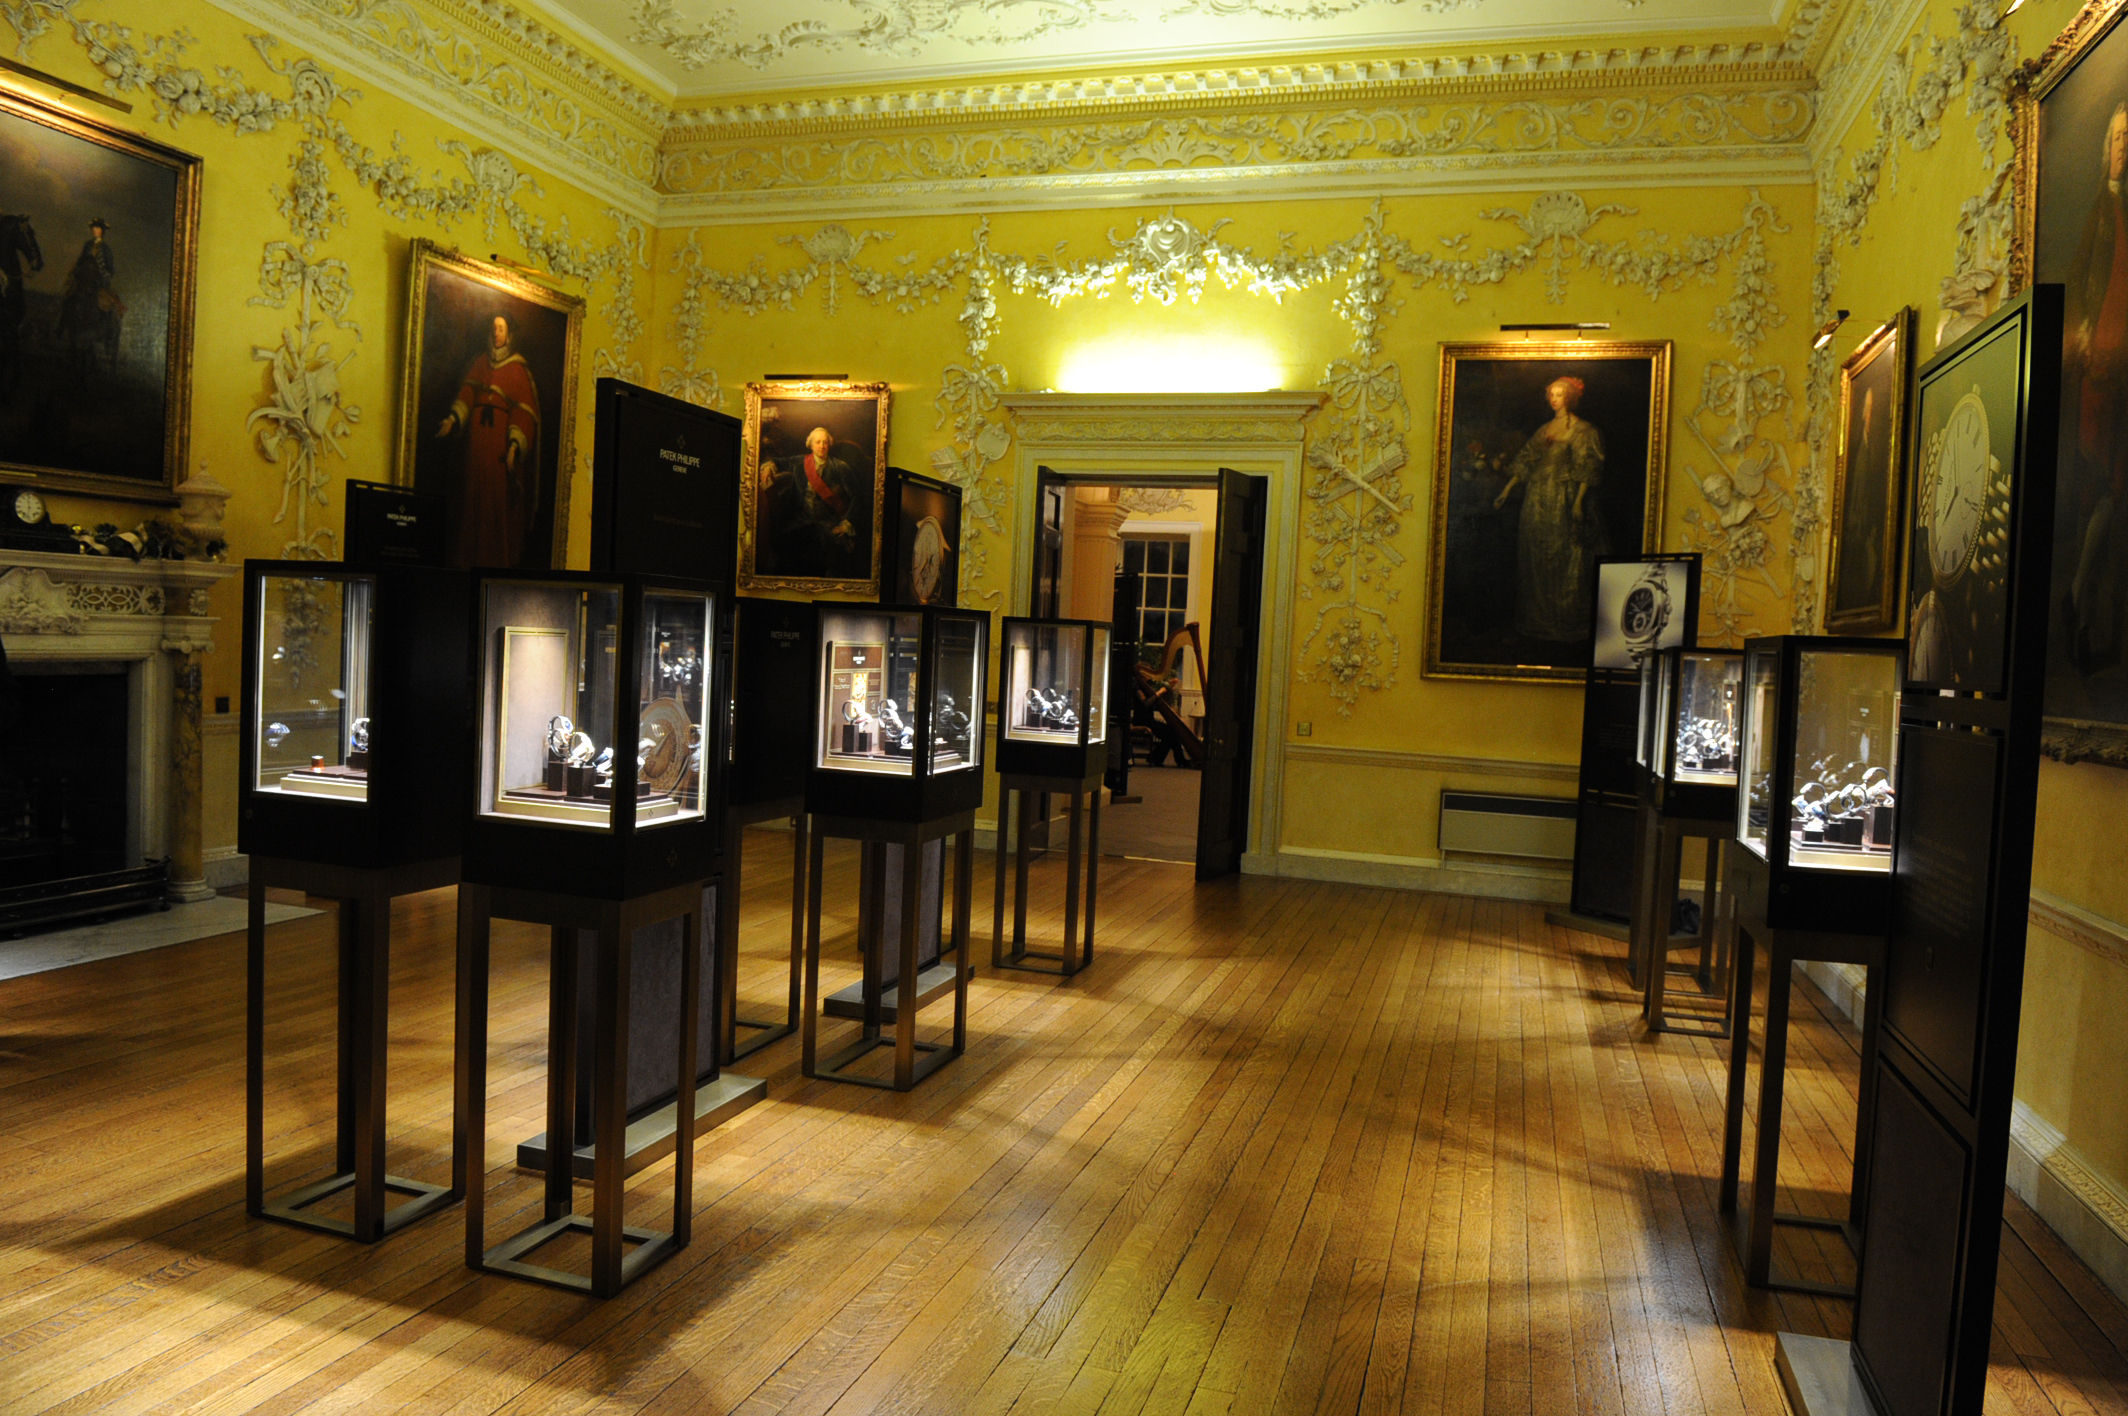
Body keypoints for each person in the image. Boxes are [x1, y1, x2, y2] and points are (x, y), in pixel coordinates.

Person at [2063, 102, 2128, 676]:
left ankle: (2088, 614)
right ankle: (2082, 605)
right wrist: (2086, 333)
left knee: (2113, 489)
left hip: (2121, 369)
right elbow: (2083, 285)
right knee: (2102, 488)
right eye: (2117, 138)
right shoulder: (2100, 211)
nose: (2123, 148)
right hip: (2100, 373)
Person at [1493, 375, 1609, 642]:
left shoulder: (1584, 430)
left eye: (1559, 394)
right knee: (1536, 558)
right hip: (1537, 500)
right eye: (1551, 394)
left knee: (1565, 557)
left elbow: (1588, 467)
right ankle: (1538, 621)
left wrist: (1578, 502)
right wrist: (1506, 491)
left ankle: (1566, 624)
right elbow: (1526, 460)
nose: (1554, 399)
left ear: (1569, 397)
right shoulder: (1544, 428)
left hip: (1564, 499)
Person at [435, 314, 542, 566]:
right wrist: (452, 420)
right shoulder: (480, 362)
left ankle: (495, 561)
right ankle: (467, 559)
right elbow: (468, 394)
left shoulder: (518, 369)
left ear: (510, 335)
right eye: (494, 328)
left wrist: (515, 445)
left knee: (496, 504)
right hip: (477, 446)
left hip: (498, 449)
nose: (496, 333)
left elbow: (524, 414)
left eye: (501, 328)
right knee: (472, 500)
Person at [59, 217, 121, 373]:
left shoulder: (106, 249)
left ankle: (107, 332)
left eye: (97, 228)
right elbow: (80, 261)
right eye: (93, 228)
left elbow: (110, 269)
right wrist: (75, 272)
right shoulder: (87, 245)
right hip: (83, 279)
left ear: (102, 231)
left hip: (98, 282)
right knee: (69, 296)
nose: (94, 230)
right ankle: (61, 326)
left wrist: (103, 277)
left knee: (108, 306)